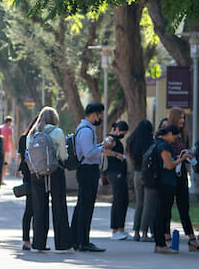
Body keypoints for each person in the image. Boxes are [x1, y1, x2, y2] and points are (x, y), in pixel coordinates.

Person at [28, 106, 71, 252]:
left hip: (37, 174)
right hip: (55, 172)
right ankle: (62, 245)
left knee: (39, 208)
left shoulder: (32, 133)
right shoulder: (57, 132)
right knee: (59, 207)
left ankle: (38, 244)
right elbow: (63, 156)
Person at [165, 106, 199, 252]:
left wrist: (189, 156)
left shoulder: (184, 134)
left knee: (184, 206)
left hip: (181, 174)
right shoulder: (167, 133)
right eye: (180, 118)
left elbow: (185, 151)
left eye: (183, 118)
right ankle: (167, 237)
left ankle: (192, 239)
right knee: (167, 206)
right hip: (169, 173)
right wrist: (180, 157)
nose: (182, 121)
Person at [70, 103, 107, 253]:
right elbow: (89, 153)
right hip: (87, 170)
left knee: (83, 206)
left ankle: (77, 239)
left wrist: (100, 146)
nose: (100, 118)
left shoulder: (85, 129)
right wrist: (103, 148)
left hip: (87, 170)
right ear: (93, 115)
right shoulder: (86, 131)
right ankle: (83, 241)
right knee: (86, 207)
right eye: (100, 115)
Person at [151, 124, 188, 254]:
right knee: (162, 213)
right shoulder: (163, 146)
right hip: (166, 183)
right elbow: (169, 165)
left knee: (161, 212)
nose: (175, 140)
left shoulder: (158, 143)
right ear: (170, 134)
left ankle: (159, 243)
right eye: (175, 137)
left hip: (161, 182)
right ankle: (161, 244)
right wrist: (181, 159)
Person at [126, 119, 154, 242]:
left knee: (139, 204)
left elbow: (130, 156)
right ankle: (144, 233)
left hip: (136, 173)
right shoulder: (149, 142)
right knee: (148, 205)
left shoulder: (132, 140)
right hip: (147, 173)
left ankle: (136, 233)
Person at [106, 121, 130, 240]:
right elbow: (104, 150)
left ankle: (121, 229)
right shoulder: (110, 139)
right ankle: (115, 230)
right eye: (122, 133)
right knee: (118, 200)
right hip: (115, 173)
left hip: (120, 173)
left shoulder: (116, 140)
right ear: (117, 129)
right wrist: (116, 155)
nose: (122, 135)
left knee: (124, 200)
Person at [17, 115, 37, 249]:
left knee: (32, 209)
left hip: (31, 175)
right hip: (32, 176)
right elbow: (22, 158)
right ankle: (27, 240)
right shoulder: (26, 138)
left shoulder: (24, 138)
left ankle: (32, 240)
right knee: (31, 209)